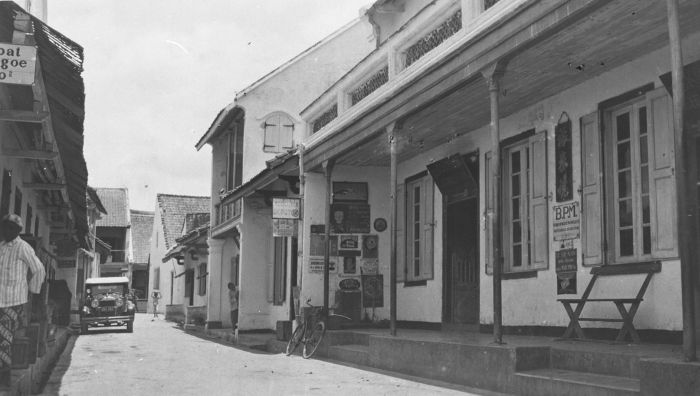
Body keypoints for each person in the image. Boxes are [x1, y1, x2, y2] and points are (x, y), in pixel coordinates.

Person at [0, 214, 45, 386]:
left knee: (5, 339)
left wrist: (31, 291)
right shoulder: (1, 247)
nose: (7, 230)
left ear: (18, 230)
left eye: (12, 227)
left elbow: (39, 270)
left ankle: (4, 379)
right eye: (6, 227)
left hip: (13, 301)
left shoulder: (23, 247)